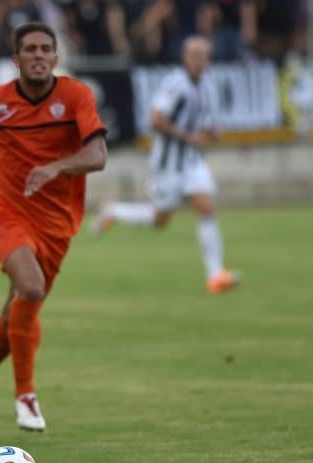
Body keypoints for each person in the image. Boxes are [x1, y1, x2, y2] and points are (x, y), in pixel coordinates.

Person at [0, 23, 108, 432]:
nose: (39, 55)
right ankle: (26, 397)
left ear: (56, 58)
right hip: (3, 207)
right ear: (16, 60)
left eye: (46, 49)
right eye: (30, 49)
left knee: (16, 309)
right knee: (31, 288)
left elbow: (98, 153)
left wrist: (56, 166)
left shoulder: (75, 96)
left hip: (56, 221)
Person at [92, 36, 240, 295]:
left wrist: (212, 132)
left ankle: (216, 275)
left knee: (206, 207)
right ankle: (114, 211)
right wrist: (188, 136)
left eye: (203, 56)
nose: (199, 61)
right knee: (160, 220)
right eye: (194, 55)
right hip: (167, 164)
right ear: (185, 57)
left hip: (192, 161)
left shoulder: (207, 85)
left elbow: (209, 122)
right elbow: (156, 119)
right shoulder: (175, 84)